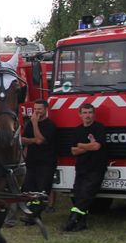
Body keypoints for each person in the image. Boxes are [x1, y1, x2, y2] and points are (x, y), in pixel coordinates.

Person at [64, 103, 108, 232]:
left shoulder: (99, 128)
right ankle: (81, 222)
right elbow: (73, 151)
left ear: (93, 114)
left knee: (86, 194)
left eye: (90, 112)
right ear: (80, 115)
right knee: (77, 194)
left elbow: (97, 147)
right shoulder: (77, 130)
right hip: (81, 167)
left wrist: (81, 146)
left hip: (96, 167)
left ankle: (73, 219)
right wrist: (88, 146)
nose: (87, 115)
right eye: (84, 113)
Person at [20, 99, 58, 226]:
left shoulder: (50, 125)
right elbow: (23, 139)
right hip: (32, 162)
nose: (37, 112)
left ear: (46, 109)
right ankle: (33, 216)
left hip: (46, 163)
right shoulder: (29, 124)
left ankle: (34, 216)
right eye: (35, 109)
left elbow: (41, 140)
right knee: (30, 190)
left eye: (39, 109)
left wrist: (35, 124)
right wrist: (33, 140)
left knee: (42, 191)